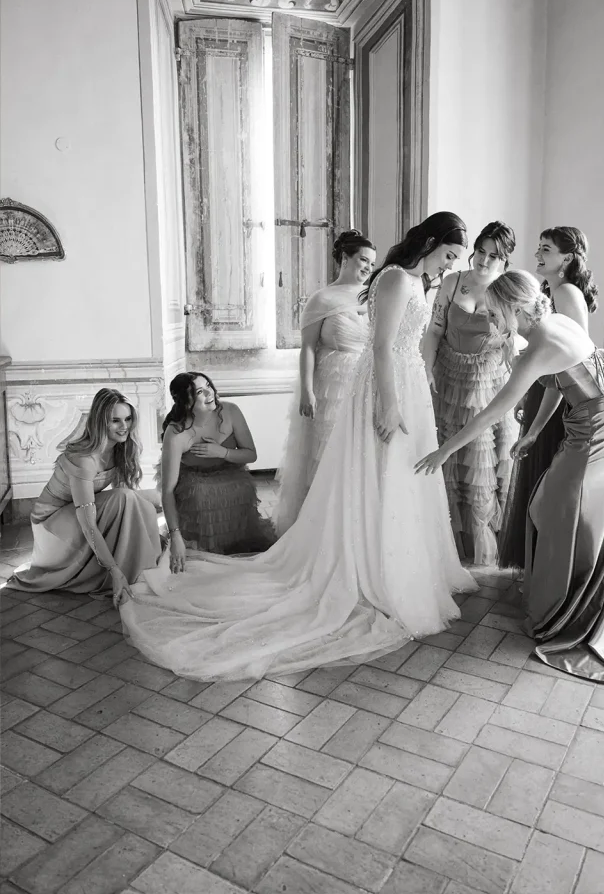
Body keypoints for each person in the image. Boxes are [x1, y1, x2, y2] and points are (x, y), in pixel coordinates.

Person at [120, 212, 478, 681]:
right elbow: (382, 348)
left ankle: (401, 563)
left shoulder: (417, 281)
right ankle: (373, 568)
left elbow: (410, 347)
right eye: (449, 255)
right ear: (430, 242)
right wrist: (389, 405)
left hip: (408, 386)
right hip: (385, 389)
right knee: (381, 474)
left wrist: (419, 386)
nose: (451, 265)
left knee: (402, 479)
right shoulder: (394, 278)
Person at [416, 270, 604, 687]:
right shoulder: (554, 325)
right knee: (547, 507)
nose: (491, 321)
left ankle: (569, 615)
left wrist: (444, 450)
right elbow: (559, 385)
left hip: (600, 435)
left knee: (563, 516)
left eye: (494, 313)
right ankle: (564, 599)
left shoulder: (538, 348)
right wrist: (534, 432)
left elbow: (492, 412)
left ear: (515, 308)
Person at [497, 227, 598, 571]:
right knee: (536, 474)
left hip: (560, 399)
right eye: (539, 248)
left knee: (546, 478)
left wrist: (537, 424)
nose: (537, 255)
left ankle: (550, 567)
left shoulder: (566, 293)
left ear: (567, 258)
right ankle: (538, 564)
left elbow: (570, 365)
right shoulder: (548, 291)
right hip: (545, 387)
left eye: (546, 249)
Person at [7, 388, 160, 608]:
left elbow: (128, 508)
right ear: (100, 422)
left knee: (141, 504)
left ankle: (141, 566)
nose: (124, 426)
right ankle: (121, 573)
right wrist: (114, 571)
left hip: (77, 514)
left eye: (128, 419)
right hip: (51, 526)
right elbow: (89, 524)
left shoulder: (120, 450)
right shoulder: (85, 459)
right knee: (125, 498)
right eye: (115, 420)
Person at [423, 221, 517, 564]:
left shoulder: (507, 291)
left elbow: (513, 342)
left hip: (487, 381)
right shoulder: (452, 282)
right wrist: (426, 370)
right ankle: (447, 540)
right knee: (446, 453)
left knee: (480, 460)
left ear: (504, 260)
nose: (484, 260)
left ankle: (480, 544)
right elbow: (434, 331)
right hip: (448, 377)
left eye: (493, 256)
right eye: (480, 251)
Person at [274, 229, 376, 535]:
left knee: (362, 453)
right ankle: (324, 528)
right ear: (345, 258)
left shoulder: (372, 295)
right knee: (331, 453)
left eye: (372, 263)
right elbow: (307, 347)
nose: (368, 267)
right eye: (363, 260)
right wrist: (307, 390)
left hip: (366, 382)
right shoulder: (322, 298)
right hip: (332, 385)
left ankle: (356, 526)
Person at [159, 372, 275, 561]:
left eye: (208, 385)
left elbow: (251, 455)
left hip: (228, 472)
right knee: (198, 493)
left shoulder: (230, 411)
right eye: (199, 391)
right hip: (194, 480)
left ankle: (237, 540)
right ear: (186, 402)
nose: (209, 392)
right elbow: (167, 491)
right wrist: (175, 535)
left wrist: (222, 452)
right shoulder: (176, 433)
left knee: (243, 486)